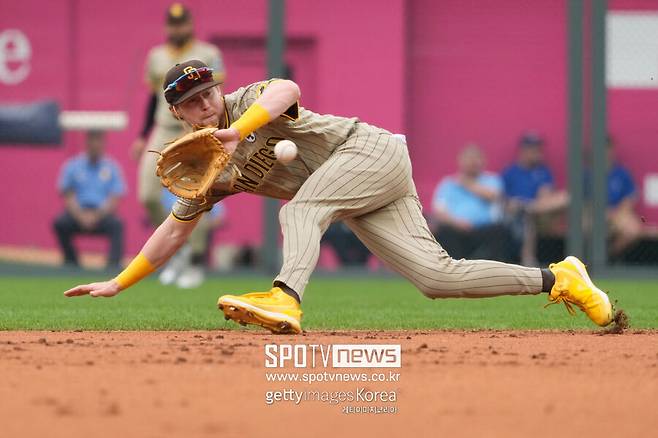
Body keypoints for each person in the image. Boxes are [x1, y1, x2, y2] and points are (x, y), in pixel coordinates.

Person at [64, 60, 614, 334]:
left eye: (207, 93)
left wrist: (241, 127)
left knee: (301, 207)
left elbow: (287, 90)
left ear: (218, 90)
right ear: (178, 114)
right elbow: (175, 228)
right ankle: (561, 277)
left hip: (369, 151)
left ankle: (285, 297)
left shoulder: (247, 100)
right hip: (356, 190)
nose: (205, 105)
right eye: (192, 102)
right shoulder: (203, 168)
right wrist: (119, 280)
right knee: (437, 278)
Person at [131, 3, 225, 227]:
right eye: (173, 25)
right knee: (148, 195)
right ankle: (173, 241)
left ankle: (194, 255)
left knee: (201, 195)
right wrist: (142, 135)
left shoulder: (209, 53)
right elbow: (154, 98)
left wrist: (219, 130)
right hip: (164, 129)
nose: (177, 29)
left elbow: (217, 95)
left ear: (190, 24)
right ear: (166, 27)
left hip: (198, 129)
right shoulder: (156, 56)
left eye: (181, 24)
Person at [53, 130, 126, 268]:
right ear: (86, 143)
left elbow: (114, 198)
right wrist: (80, 215)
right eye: (92, 141)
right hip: (77, 213)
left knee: (117, 225)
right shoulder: (73, 166)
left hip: (102, 214)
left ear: (103, 144)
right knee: (60, 223)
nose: (95, 145)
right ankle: (71, 261)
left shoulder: (112, 168)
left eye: (98, 141)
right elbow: (68, 195)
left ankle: (113, 266)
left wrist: (97, 215)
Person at [431, 144, 512, 262]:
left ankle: (493, 270)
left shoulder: (492, 179)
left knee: (500, 230)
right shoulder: (448, 184)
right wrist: (457, 223)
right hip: (456, 229)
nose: (473, 162)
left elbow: (492, 196)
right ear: (461, 161)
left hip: (484, 230)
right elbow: (439, 211)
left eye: (476, 159)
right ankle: (453, 270)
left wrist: (466, 183)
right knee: (443, 231)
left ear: (483, 161)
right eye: (469, 159)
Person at [502, 133, 569, 265]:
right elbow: (506, 203)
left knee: (566, 197)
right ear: (523, 151)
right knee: (525, 215)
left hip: (540, 212)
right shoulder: (510, 172)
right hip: (516, 216)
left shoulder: (543, 171)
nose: (537, 153)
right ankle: (528, 260)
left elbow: (545, 196)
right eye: (532, 149)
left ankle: (574, 259)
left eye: (538, 149)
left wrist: (530, 205)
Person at [158, 188, 225, 288]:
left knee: (199, 221)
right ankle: (175, 265)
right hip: (174, 226)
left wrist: (201, 225)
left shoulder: (203, 190)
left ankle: (193, 268)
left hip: (194, 228)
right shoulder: (168, 190)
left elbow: (218, 217)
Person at [601, 136, 643, 258]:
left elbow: (631, 196)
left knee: (633, 229)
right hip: (592, 214)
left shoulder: (621, 172)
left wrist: (616, 212)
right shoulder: (588, 172)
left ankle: (607, 257)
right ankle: (584, 260)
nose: (605, 152)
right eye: (602, 148)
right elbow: (580, 199)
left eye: (608, 148)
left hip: (618, 213)